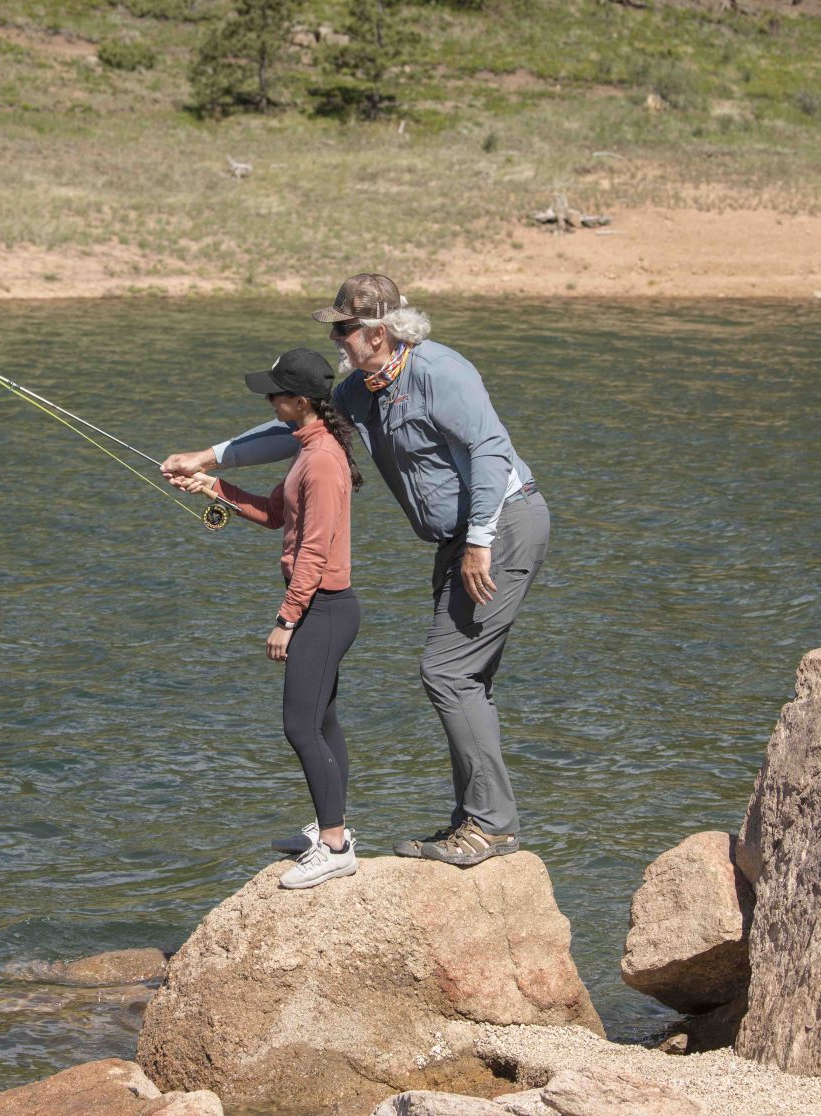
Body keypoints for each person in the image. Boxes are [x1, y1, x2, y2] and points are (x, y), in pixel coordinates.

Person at [163, 274, 547, 869]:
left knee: (448, 673)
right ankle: (473, 819)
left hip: (501, 526)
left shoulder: (441, 372)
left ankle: (492, 828)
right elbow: (290, 431)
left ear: (377, 331)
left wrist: (478, 541)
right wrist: (208, 459)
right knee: (464, 680)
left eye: (343, 328)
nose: (335, 339)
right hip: (458, 540)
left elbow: (491, 450)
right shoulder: (361, 389)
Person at [176, 347, 364, 891]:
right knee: (322, 723)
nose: (269, 402)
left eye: (275, 395)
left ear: (300, 401)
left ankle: (336, 846)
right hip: (319, 607)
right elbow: (276, 515)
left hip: (323, 608)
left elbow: (315, 550)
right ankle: (330, 828)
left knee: (300, 726)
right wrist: (213, 486)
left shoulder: (322, 461)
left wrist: (286, 619)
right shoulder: (309, 449)